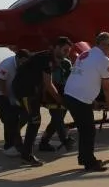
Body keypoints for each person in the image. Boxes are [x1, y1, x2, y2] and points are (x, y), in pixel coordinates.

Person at [11, 36, 73, 166]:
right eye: (64, 50)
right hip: (25, 91)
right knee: (34, 121)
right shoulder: (46, 59)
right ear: (56, 48)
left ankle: (21, 147)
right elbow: (48, 84)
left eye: (68, 51)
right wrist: (61, 101)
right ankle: (26, 155)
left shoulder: (51, 59)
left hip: (33, 90)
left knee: (32, 119)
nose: (67, 53)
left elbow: (45, 84)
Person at [63, 32, 109, 172]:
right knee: (88, 131)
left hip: (70, 95)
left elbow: (86, 77)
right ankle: (89, 162)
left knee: (84, 129)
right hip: (79, 98)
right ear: (103, 45)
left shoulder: (85, 54)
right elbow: (106, 86)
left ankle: (84, 158)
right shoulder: (104, 60)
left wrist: (92, 101)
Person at [0, 49, 30, 156]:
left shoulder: (25, 64)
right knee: (10, 118)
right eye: (23, 62)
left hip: (12, 92)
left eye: (26, 62)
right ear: (17, 58)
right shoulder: (7, 65)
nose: (24, 64)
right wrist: (11, 98)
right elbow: (0, 83)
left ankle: (15, 135)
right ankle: (9, 146)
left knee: (26, 113)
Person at [38, 54, 75, 154]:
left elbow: (70, 79)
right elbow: (47, 83)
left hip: (64, 92)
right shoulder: (49, 64)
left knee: (56, 120)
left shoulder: (66, 63)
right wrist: (44, 97)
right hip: (52, 93)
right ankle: (65, 140)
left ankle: (44, 142)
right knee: (57, 118)